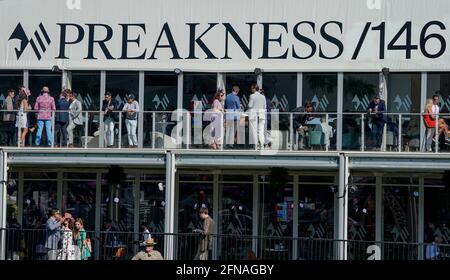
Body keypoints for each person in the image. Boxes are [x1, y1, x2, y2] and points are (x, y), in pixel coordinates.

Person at [248, 84, 267, 149]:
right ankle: (262, 145)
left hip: (253, 114)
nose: (251, 90)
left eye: (251, 88)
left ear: (254, 89)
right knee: (261, 130)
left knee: (254, 130)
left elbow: (250, 105)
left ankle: (256, 145)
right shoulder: (263, 97)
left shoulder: (252, 96)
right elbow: (265, 106)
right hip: (261, 114)